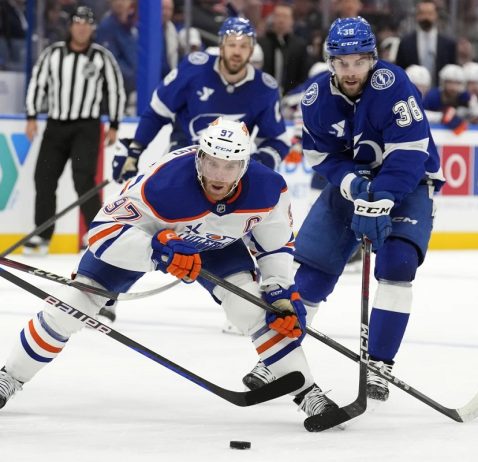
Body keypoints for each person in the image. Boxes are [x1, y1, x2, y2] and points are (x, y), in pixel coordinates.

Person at [0, 118, 339, 425]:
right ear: (199, 158)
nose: (219, 175)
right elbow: (101, 233)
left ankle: (309, 394)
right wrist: (158, 252)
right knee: (71, 306)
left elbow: (275, 246)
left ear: (245, 165)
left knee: (256, 309)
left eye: (230, 166)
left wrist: (280, 289)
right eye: (212, 163)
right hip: (149, 237)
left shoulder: (268, 189)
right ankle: (9, 376)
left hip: (217, 246)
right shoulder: (162, 183)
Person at [243, 16, 444, 403]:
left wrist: (381, 197)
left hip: (409, 181)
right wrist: (355, 185)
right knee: (315, 269)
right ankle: (279, 356)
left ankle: (379, 365)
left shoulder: (394, 84)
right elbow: (322, 155)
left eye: (359, 61)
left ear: (372, 59)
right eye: (342, 62)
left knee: (398, 264)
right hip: (354, 185)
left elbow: (409, 153)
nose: (351, 71)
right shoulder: (315, 98)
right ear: (330, 62)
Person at [113, 16, 290, 185]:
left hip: (228, 174)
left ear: (251, 50)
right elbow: (158, 112)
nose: (237, 52)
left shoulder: (264, 89)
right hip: (183, 160)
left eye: (244, 46)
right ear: (221, 46)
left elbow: (277, 141)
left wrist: (256, 166)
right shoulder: (193, 70)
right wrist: (136, 148)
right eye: (232, 45)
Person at [23, 6, 125, 256]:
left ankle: (94, 233)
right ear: (70, 26)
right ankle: (43, 234)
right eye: (78, 22)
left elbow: (115, 90)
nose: (82, 28)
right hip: (56, 126)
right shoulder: (52, 54)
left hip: (86, 127)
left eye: (87, 23)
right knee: (44, 178)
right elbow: (37, 83)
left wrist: (113, 124)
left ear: (92, 28)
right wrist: (32, 116)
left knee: (84, 180)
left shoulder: (101, 57)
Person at [395, 0, 457, 87]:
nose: (426, 17)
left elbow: (452, 72)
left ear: (436, 15)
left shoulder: (448, 44)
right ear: (416, 16)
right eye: (422, 13)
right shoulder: (405, 43)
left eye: (430, 13)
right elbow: (400, 71)